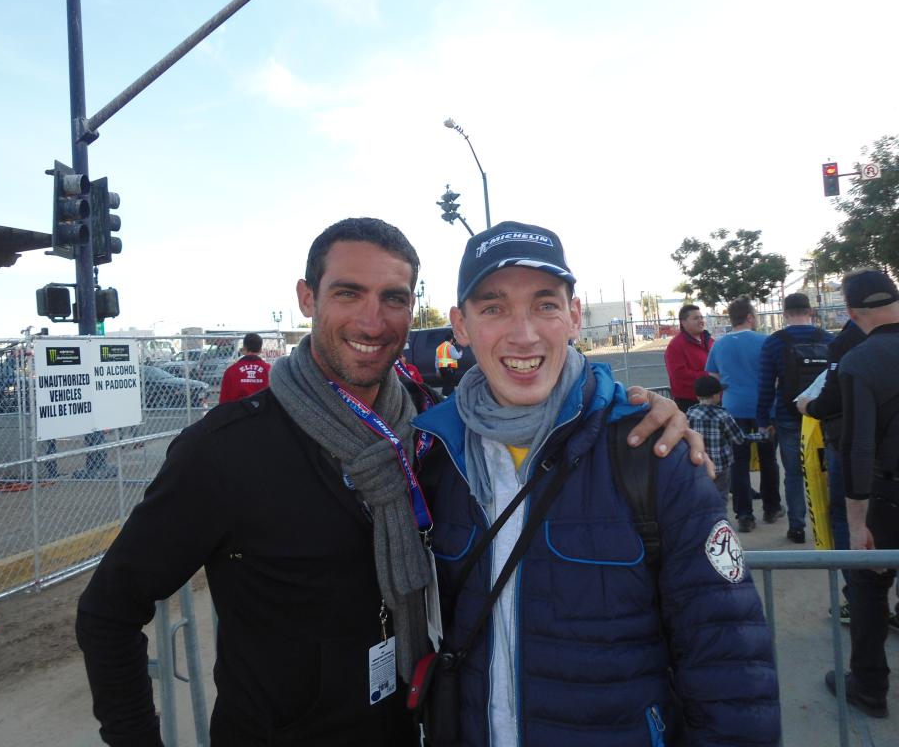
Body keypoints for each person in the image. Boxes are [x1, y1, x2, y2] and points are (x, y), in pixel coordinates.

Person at [76, 217, 700, 746]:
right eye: (348, 293)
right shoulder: (226, 451)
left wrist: (637, 409)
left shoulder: (429, 428)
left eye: (394, 298)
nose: (373, 322)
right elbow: (107, 612)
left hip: (403, 727)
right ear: (307, 297)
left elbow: (542, 412)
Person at [415, 221, 780, 746]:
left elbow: (730, 662)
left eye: (545, 305)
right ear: (461, 326)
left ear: (575, 317)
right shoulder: (433, 456)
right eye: (493, 308)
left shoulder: (650, 452)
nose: (524, 333)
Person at [824, 268, 899, 720]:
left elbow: (859, 448)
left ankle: (869, 686)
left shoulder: (860, 361)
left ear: (851, 313)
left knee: (869, 586)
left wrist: (857, 526)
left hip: (887, 496)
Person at [797, 317, 867, 620]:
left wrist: (808, 406)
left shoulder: (845, 343)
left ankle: (859, 598)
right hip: (883, 446)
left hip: (849, 442)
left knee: (844, 514)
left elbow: (830, 397)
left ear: (851, 307)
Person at [757, 292, 834, 544]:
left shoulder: (775, 342)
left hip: (788, 416)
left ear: (785, 314)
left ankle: (797, 526)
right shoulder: (830, 340)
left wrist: (763, 419)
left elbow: (766, 385)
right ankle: (831, 523)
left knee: (794, 473)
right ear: (810, 312)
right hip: (824, 416)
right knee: (827, 470)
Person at [706, 296, 783, 530]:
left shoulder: (718, 345)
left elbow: (713, 378)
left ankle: (744, 514)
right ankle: (771, 508)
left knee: (738, 462)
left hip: (733, 408)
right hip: (764, 408)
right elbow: (778, 375)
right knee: (768, 459)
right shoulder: (766, 341)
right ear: (750, 317)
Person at [687, 375, 754, 512]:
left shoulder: (690, 414)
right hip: (721, 467)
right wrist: (762, 436)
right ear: (716, 395)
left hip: (699, 465)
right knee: (721, 499)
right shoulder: (723, 416)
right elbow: (739, 439)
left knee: (701, 498)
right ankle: (720, 524)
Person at [664, 303, 712, 411]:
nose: (701, 321)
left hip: (714, 400)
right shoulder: (675, 346)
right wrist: (710, 376)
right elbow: (679, 375)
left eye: (701, 317)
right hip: (690, 404)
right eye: (695, 318)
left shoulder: (710, 341)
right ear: (683, 322)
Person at [217, 332, 271, 403]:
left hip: (238, 412)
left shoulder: (231, 371)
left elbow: (224, 401)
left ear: (244, 348)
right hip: (265, 412)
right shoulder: (270, 370)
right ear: (260, 350)